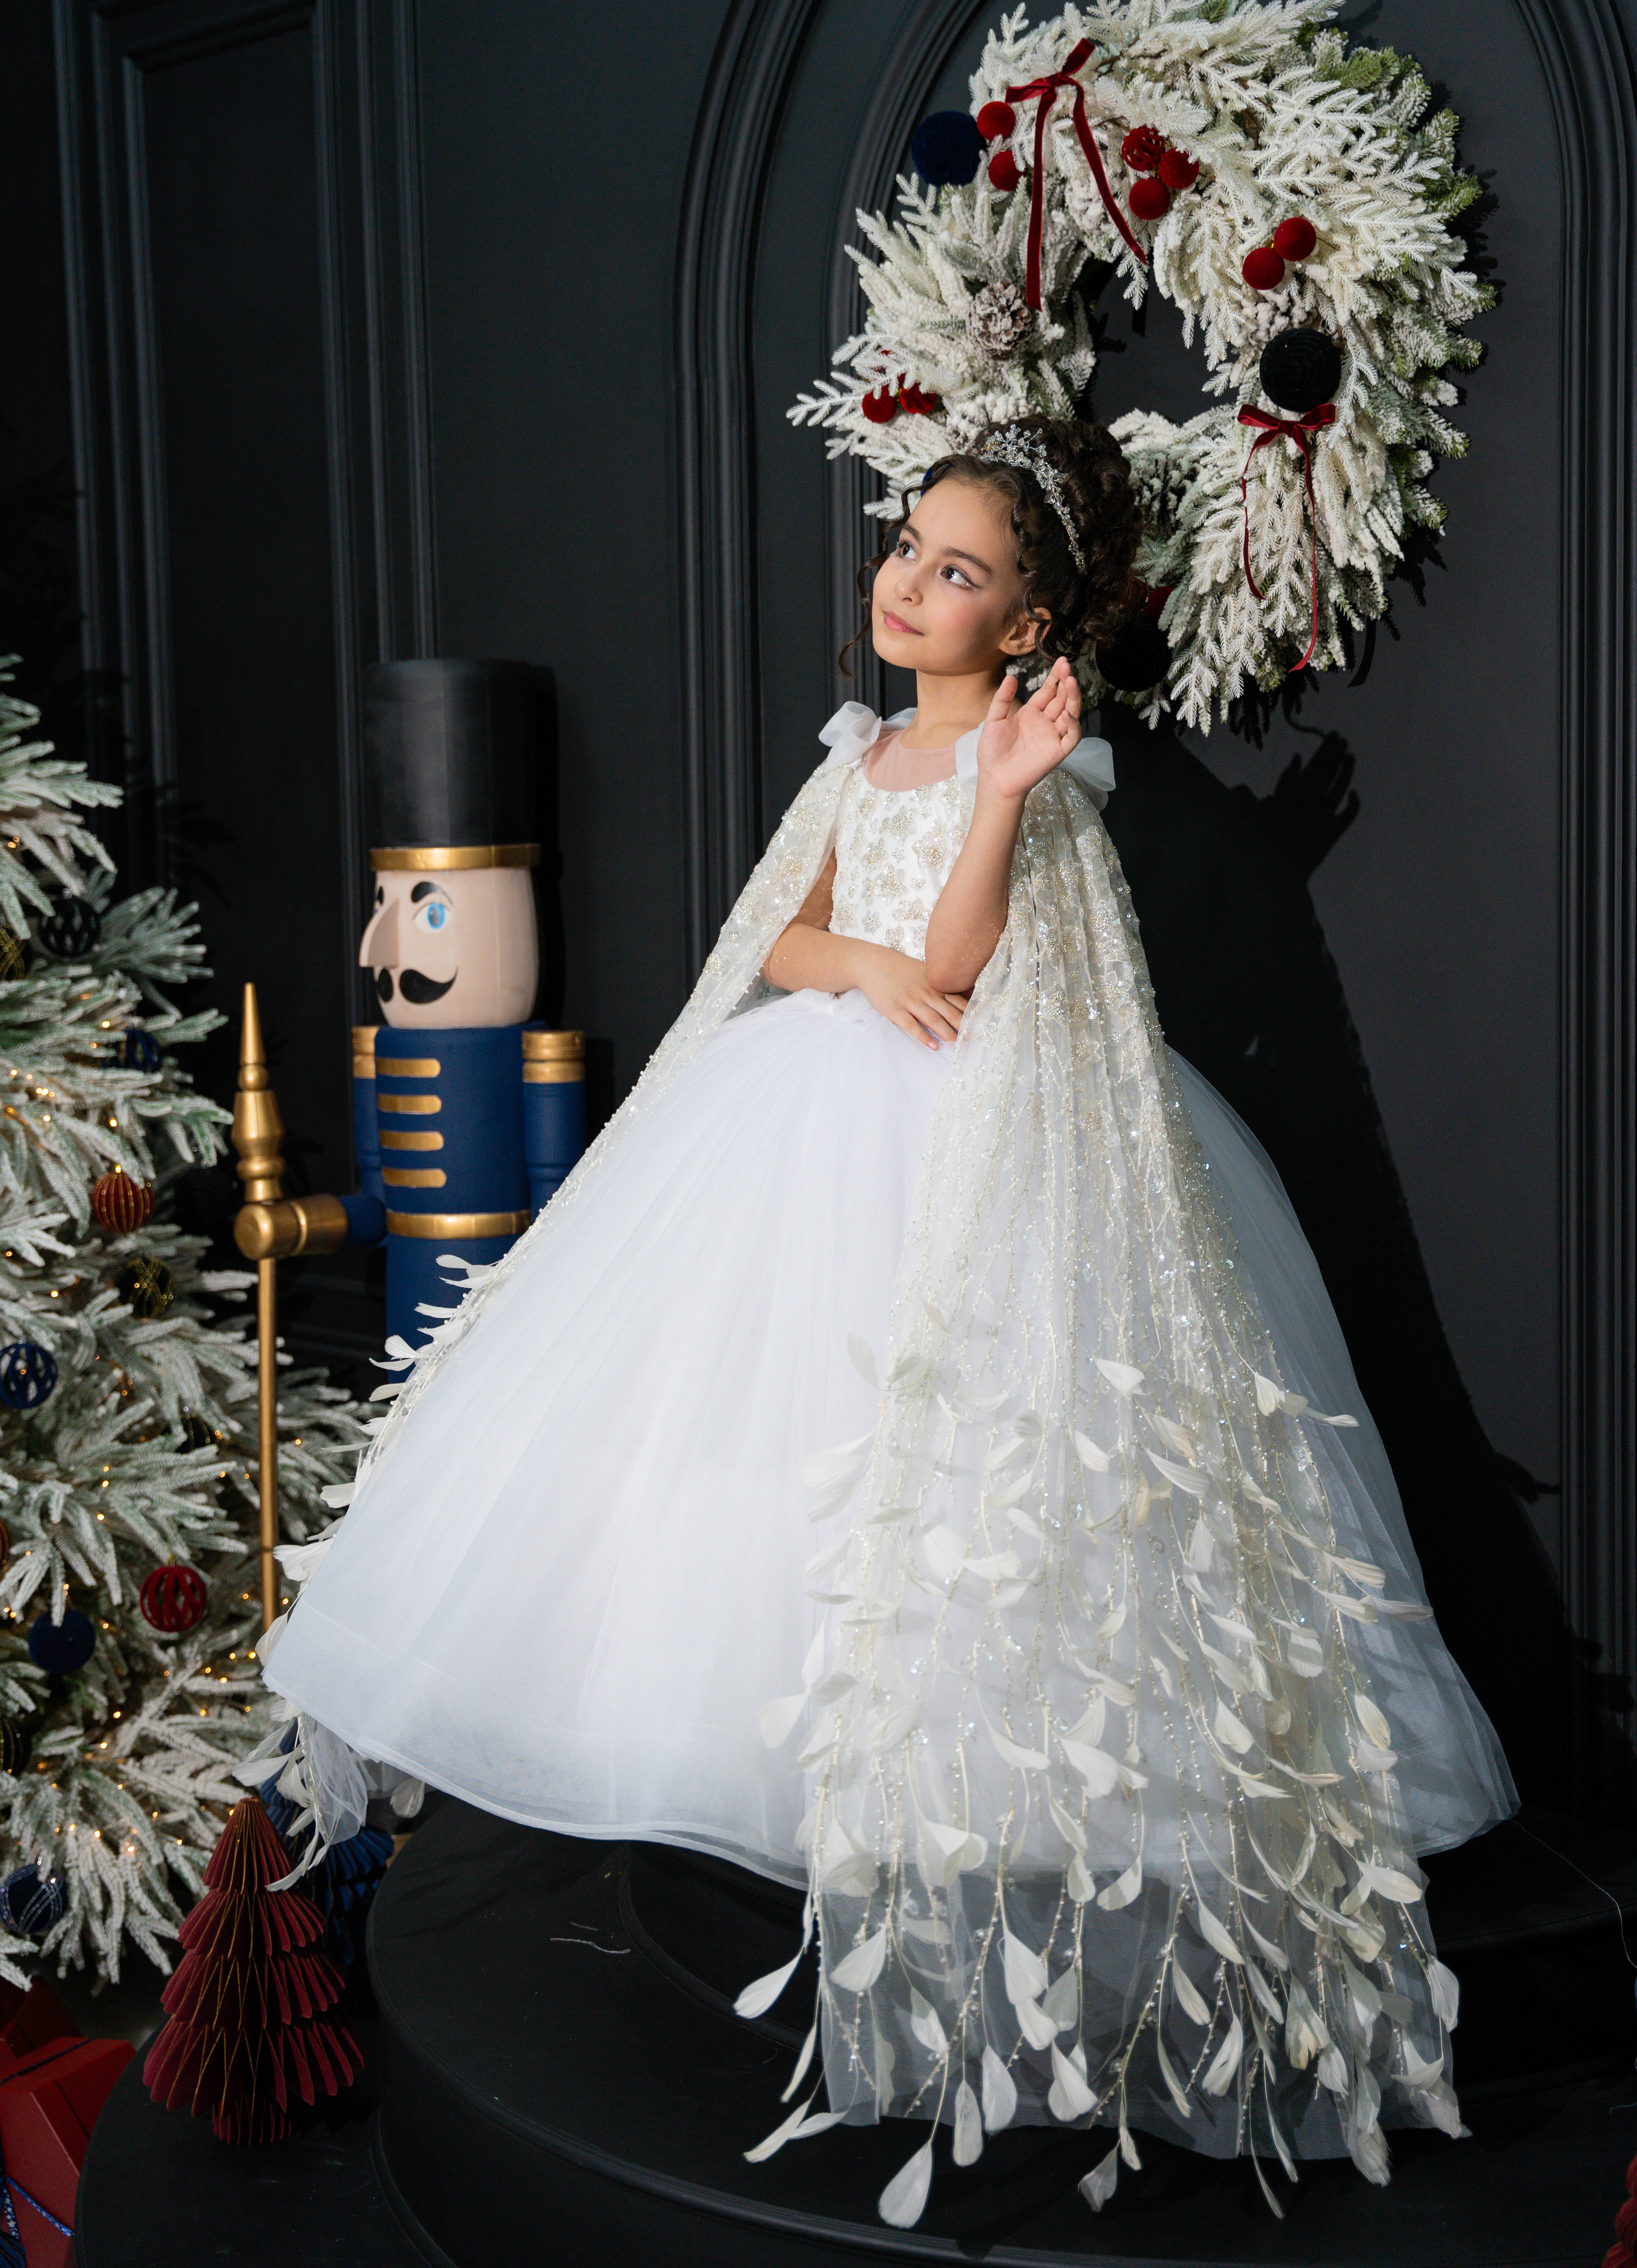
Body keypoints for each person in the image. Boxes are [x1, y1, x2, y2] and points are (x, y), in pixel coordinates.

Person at [262, 416, 1515, 2227]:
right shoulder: (859, 754)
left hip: (982, 1140)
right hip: (811, 1115)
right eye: (904, 548)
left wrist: (1000, 790)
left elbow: (961, 964)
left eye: (954, 569)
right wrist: (841, 956)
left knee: (962, 1444)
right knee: (773, 1433)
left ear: (1019, 628)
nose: (905, 582)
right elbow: (790, 939)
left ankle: (986, 1822)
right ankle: (776, 1779)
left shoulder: (1029, 775)